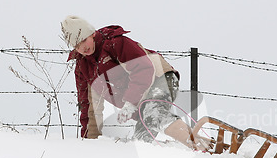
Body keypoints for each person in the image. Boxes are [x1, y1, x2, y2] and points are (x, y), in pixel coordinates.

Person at [61, 15, 207, 150]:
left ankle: (199, 146)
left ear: (92, 33)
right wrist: (89, 141)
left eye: (84, 40)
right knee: (141, 142)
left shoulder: (114, 42)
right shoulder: (83, 67)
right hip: (139, 98)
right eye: (77, 45)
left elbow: (143, 68)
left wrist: (130, 102)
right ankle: (203, 144)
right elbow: (89, 104)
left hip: (161, 77)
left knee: (154, 113)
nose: (83, 47)